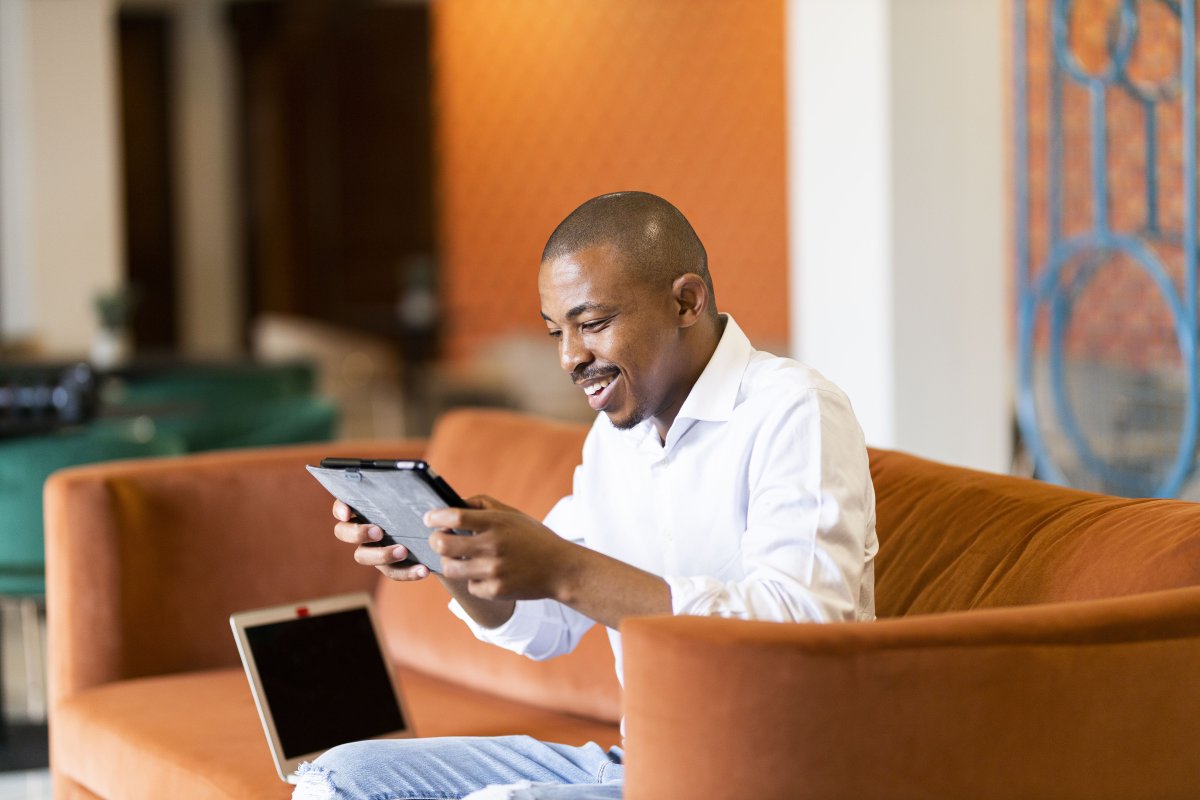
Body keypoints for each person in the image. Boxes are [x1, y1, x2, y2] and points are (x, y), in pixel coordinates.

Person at [293, 191, 878, 800]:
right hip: (644, 762)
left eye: (592, 324)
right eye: (556, 332)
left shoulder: (794, 409)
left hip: (771, 775)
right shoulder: (615, 441)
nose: (571, 358)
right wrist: (449, 552)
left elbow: (805, 632)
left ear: (685, 301)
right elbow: (542, 625)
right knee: (341, 777)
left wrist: (564, 567)